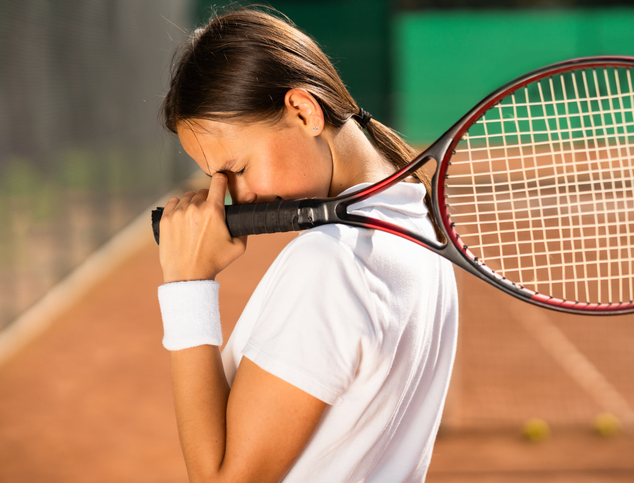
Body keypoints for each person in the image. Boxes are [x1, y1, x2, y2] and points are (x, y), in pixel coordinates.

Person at [156, 7, 458, 483]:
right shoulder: (416, 219)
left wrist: (187, 284)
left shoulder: (331, 263)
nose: (239, 196)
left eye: (237, 168)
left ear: (304, 111)